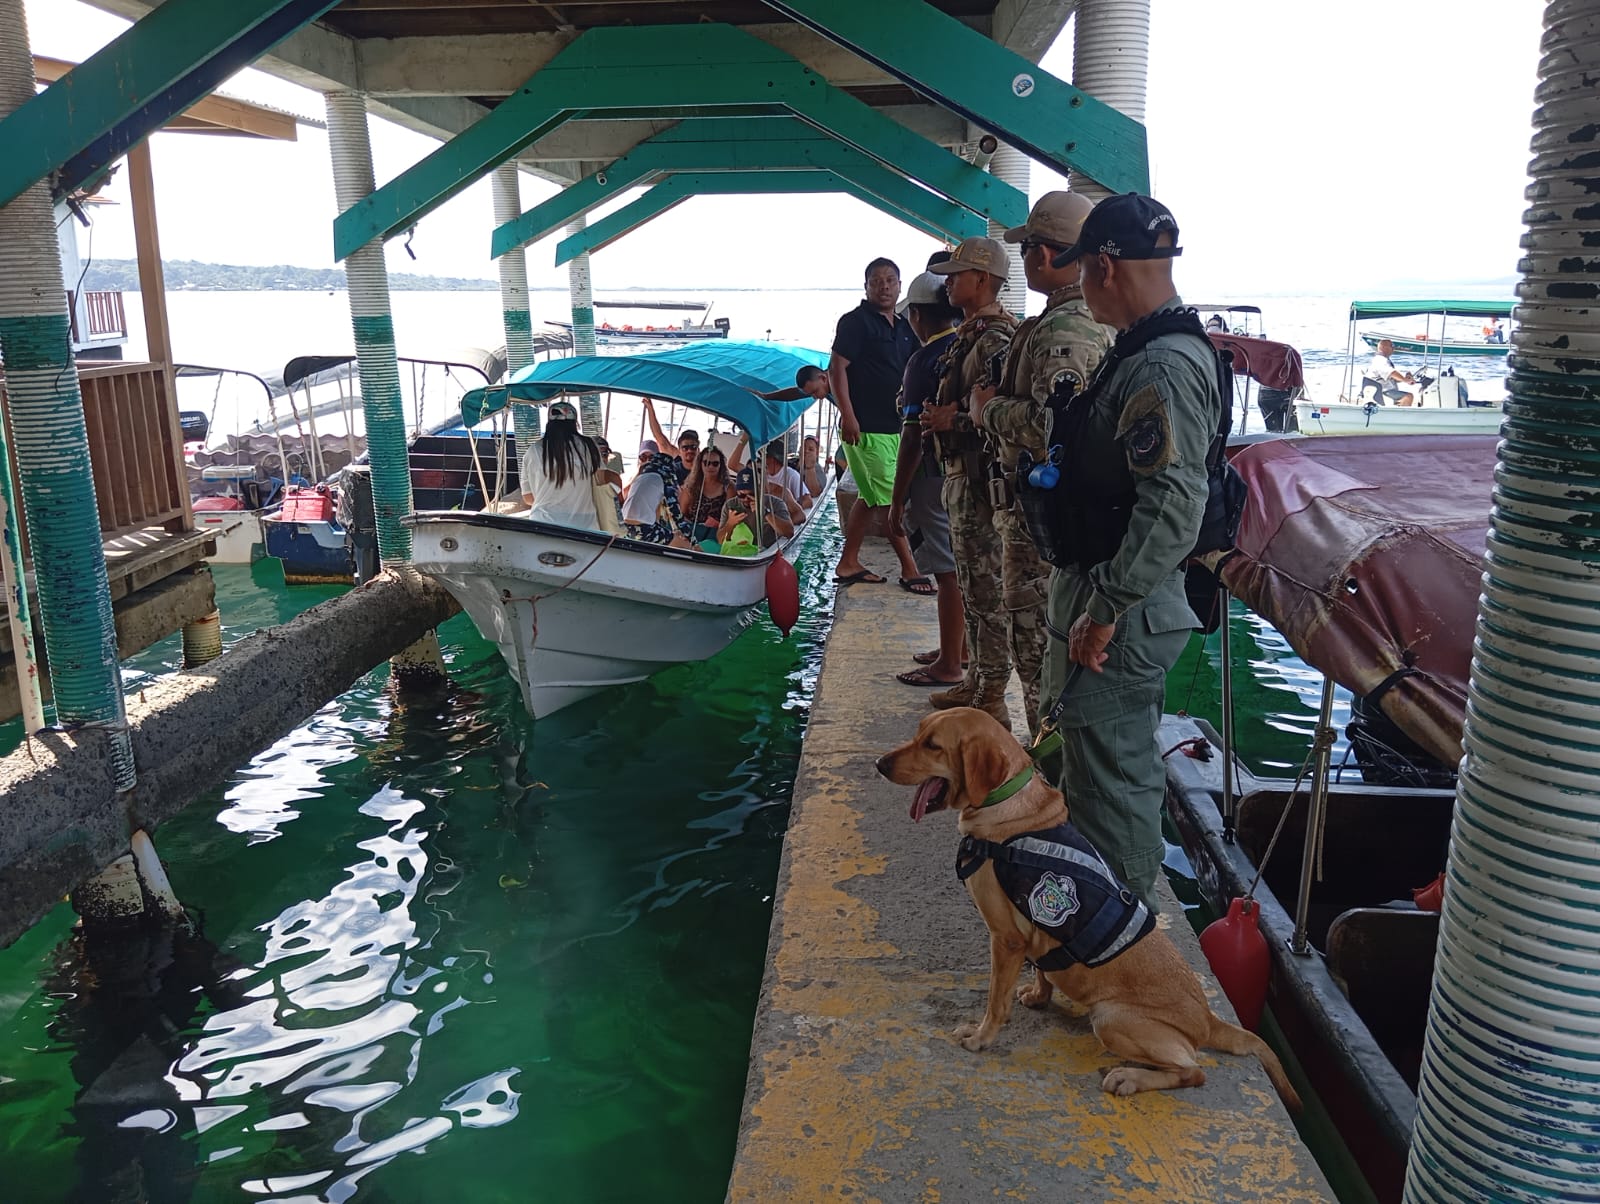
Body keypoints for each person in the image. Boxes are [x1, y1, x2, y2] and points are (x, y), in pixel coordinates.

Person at [1039, 192, 1224, 907]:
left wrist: (1106, 606)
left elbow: (1174, 506)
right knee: (1091, 770)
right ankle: (1097, 922)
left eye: (1083, 272)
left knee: (1112, 785)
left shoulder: (1162, 368)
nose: (1081, 287)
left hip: (1124, 613)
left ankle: (1119, 943)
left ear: (1107, 267)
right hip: (1112, 599)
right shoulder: (1147, 350)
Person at [978, 191, 1115, 734]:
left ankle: (1050, 785)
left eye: (1030, 246)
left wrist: (989, 410)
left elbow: (1055, 426)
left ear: (1045, 253)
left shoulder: (1065, 329)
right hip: (1049, 522)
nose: (1026, 259)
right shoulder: (1076, 320)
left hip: (1046, 529)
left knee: (1039, 657)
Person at [919, 236, 1020, 726]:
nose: (949, 281)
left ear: (982, 280)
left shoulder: (996, 338)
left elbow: (995, 410)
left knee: (984, 590)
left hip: (980, 483)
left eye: (958, 274)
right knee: (972, 585)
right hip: (962, 478)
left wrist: (949, 421)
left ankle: (992, 696)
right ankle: (977, 681)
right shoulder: (973, 333)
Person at [887, 270, 968, 686]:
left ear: (916, 315)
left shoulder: (923, 360)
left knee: (946, 570)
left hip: (935, 474)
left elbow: (913, 435)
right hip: (967, 474)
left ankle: (949, 664)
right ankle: (960, 647)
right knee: (963, 563)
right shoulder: (965, 346)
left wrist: (898, 498)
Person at [829, 257, 923, 587]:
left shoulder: (904, 326)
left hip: (898, 426)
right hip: (866, 428)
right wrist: (848, 414)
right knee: (887, 499)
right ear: (866, 286)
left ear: (900, 285)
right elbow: (836, 368)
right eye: (877, 281)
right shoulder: (855, 322)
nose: (884, 286)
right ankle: (910, 569)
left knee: (869, 498)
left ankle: (848, 562)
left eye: (891, 280)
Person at [520, 400, 609, 531]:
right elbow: (601, 482)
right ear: (574, 423)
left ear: (549, 423)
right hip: (585, 525)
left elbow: (528, 497)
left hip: (544, 523)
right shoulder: (589, 445)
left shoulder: (534, 450)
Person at [622, 442, 695, 547]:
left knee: (668, 536)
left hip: (625, 527)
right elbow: (676, 515)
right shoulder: (663, 479)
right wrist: (694, 542)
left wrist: (673, 531)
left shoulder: (641, 478)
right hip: (644, 528)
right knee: (684, 545)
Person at [679, 443, 732, 546]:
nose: (710, 466)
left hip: (717, 535)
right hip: (693, 532)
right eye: (706, 463)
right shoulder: (690, 487)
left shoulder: (728, 488)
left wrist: (717, 523)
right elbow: (681, 514)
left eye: (715, 463)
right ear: (700, 464)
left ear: (720, 465)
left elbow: (731, 517)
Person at [641, 396, 698, 482]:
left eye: (693, 447)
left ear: (698, 449)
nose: (689, 450)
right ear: (680, 450)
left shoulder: (706, 466)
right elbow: (659, 437)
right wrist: (650, 408)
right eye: (685, 448)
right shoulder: (676, 463)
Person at [1367, 338, 1416, 406]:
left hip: (1386, 389)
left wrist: (1405, 378)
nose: (1393, 348)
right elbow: (1391, 373)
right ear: (1383, 347)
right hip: (1382, 391)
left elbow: (1392, 377)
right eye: (1391, 346)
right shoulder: (1381, 360)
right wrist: (1405, 380)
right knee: (1408, 396)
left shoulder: (1383, 360)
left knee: (1405, 395)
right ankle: (1402, 415)